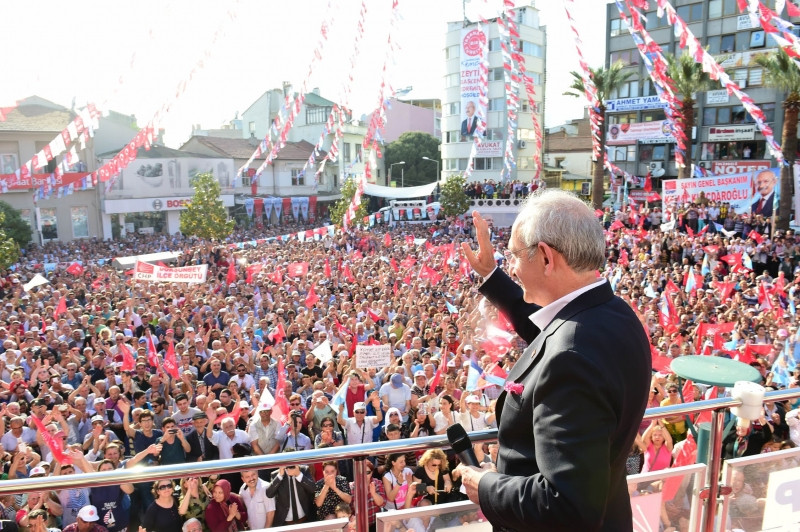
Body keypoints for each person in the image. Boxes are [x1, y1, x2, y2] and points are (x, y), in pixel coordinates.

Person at [456, 194, 651, 530]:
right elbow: (553, 332)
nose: (513, 268)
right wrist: (492, 276)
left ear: (546, 256)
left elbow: (566, 506)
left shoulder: (572, 357)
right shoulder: (615, 315)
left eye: (516, 256)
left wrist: (486, 486)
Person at [264, 456, 316, 526]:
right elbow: (269, 494)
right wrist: (280, 476)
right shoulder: (276, 474)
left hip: (305, 520)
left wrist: (299, 475)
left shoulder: (304, 470)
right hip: (285, 522)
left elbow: (313, 489)